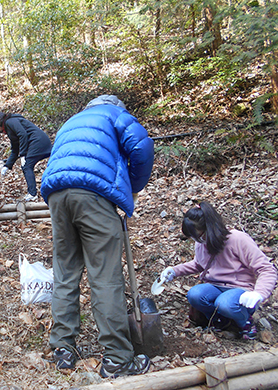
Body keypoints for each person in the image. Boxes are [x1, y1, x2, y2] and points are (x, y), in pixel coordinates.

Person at [40, 95, 154, 378]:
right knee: (105, 276)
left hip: (57, 195)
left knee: (65, 272)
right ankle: (117, 358)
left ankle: (62, 349)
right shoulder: (115, 115)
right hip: (92, 194)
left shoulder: (71, 122)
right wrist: (133, 189)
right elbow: (141, 146)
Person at [160, 201, 277, 340]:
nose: (197, 240)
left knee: (224, 303)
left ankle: (246, 322)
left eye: (198, 236)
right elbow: (199, 264)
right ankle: (220, 321)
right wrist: (174, 271)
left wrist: (259, 293)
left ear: (210, 228)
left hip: (240, 289)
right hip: (215, 286)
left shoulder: (237, 239)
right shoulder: (201, 242)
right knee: (194, 294)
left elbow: (266, 268)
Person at [0, 111, 52, 201]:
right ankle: (32, 192)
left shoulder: (10, 122)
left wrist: (23, 155)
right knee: (27, 166)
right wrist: (7, 165)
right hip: (39, 142)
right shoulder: (9, 128)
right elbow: (15, 149)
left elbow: (22, 134)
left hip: (38, 142)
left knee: (26, 166)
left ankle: (32, 194)